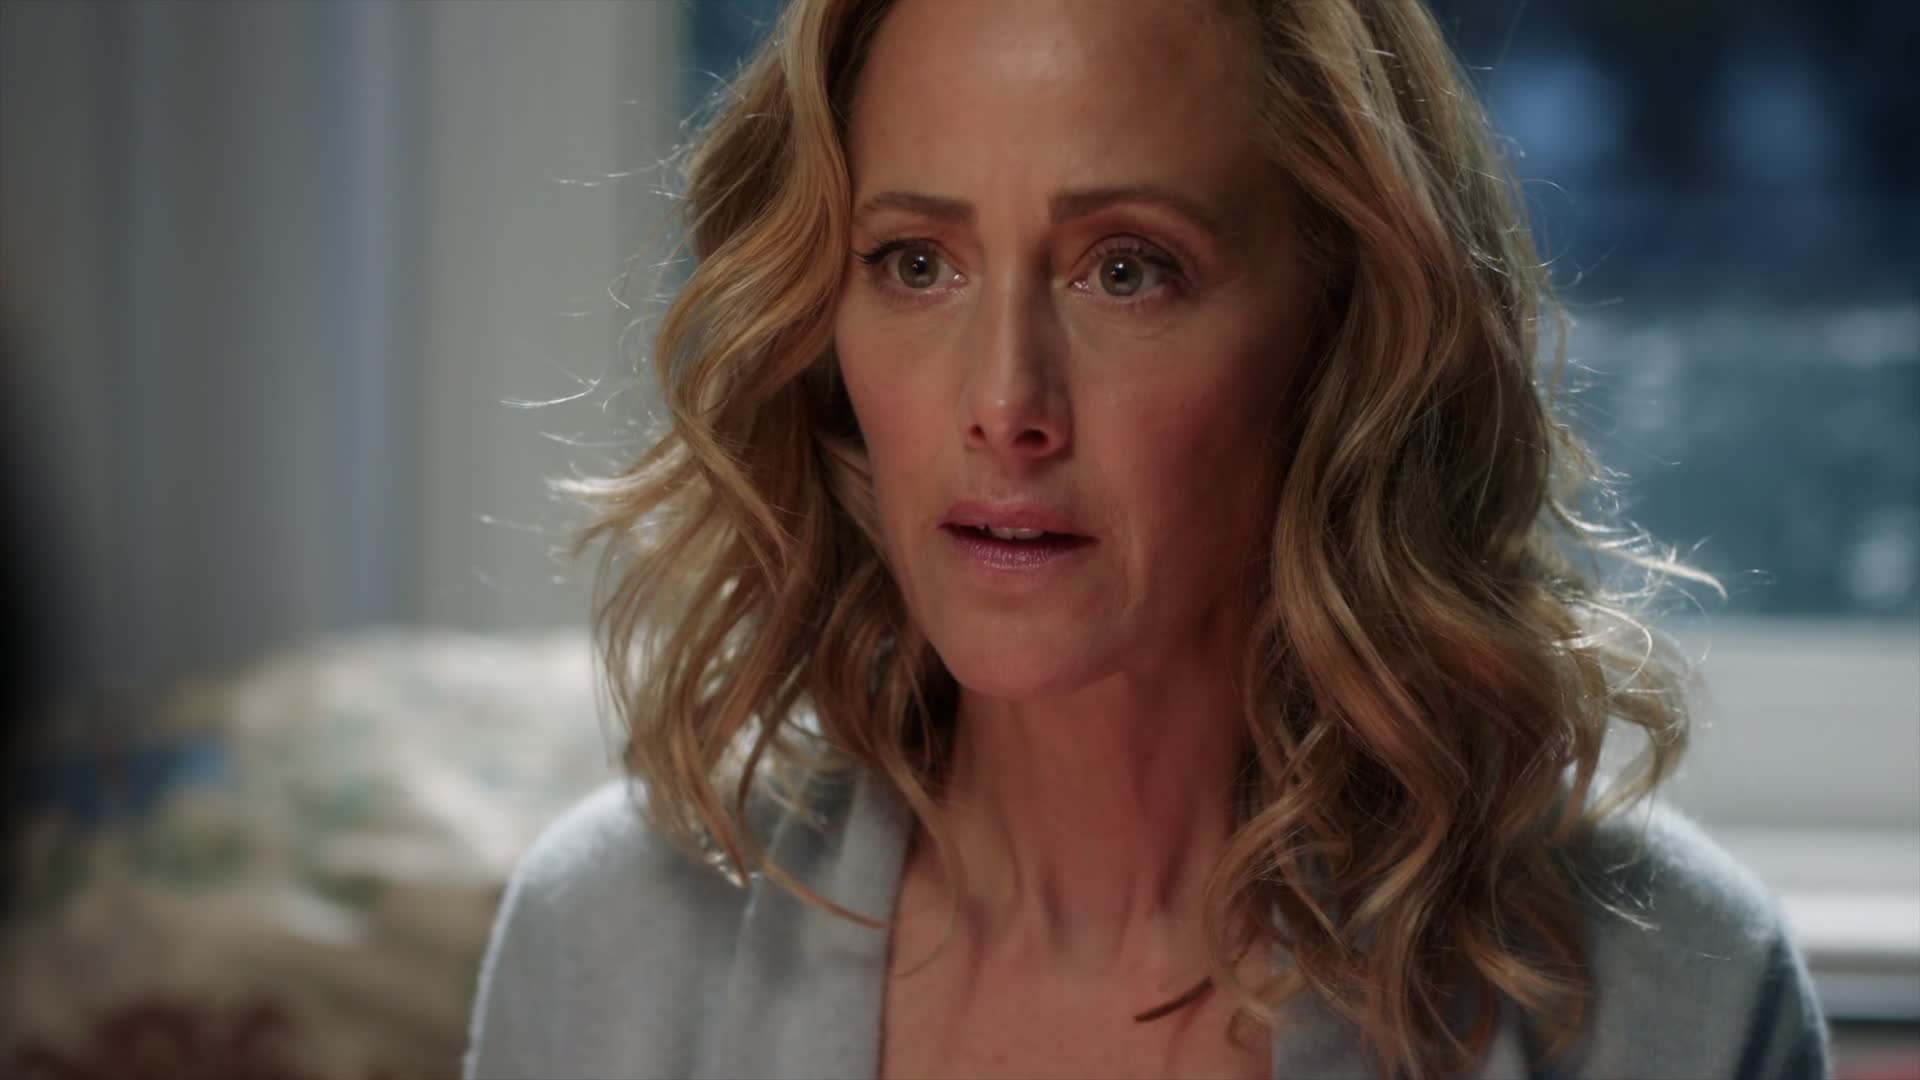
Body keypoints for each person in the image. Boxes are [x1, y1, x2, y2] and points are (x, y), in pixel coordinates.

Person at [464, 0, 1829, 1076]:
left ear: (1347, 332)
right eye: (917, 264)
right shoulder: (611, 949)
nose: (1005, 404)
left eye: (1126, 269)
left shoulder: (1670, 996)